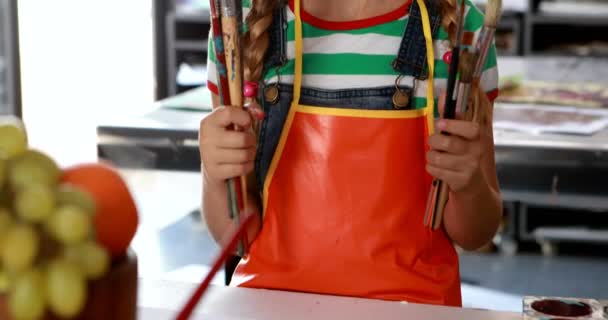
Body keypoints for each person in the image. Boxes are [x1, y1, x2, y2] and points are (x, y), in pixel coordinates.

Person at [199, 0, 502, 307]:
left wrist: (469, 184)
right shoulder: (238, 26)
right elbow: (237, 237)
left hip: (411, 308)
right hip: (273, 305)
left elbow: (475, 233)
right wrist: (214, 175)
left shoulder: (464, 30)